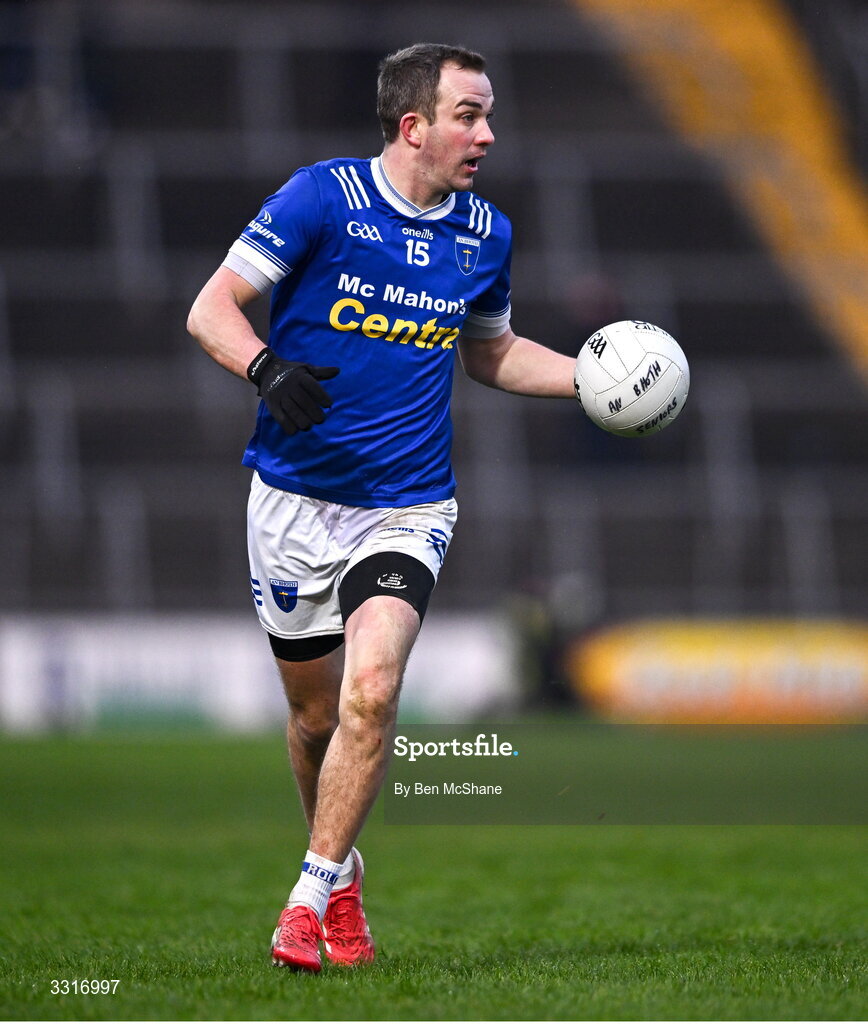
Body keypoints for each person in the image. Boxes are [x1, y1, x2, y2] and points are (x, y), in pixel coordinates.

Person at [187, 42, 576, 973]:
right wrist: (265, 365)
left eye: (488, 115)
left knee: (371, 693)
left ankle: (306, 896)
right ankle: (345, 867)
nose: (486, 133)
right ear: (415, 126)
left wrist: (593, 381)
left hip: (407, 506)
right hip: (290, 502)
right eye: (469, 115)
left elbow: (491, 353)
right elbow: (213, 308)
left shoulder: (486, 232)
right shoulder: (321, 198)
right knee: (317, 720)